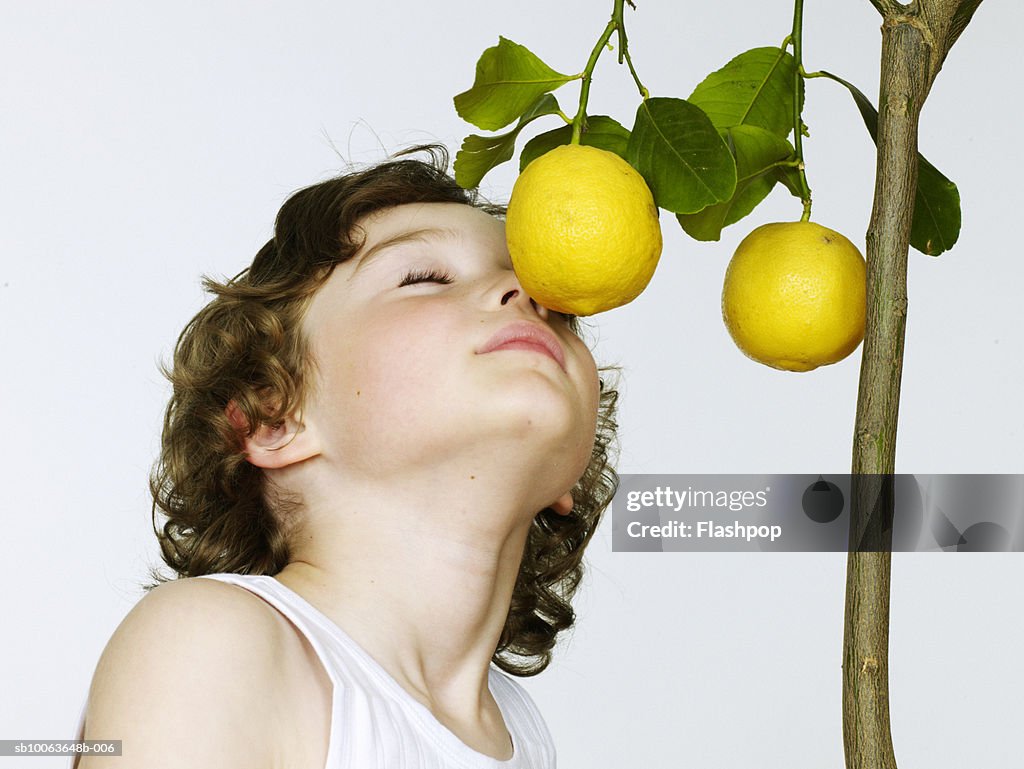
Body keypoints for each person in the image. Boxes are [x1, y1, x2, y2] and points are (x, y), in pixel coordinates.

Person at [71, 145, 619, 769]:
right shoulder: (214, 642)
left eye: (558, 306)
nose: (526, 292)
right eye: (425, 277)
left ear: (568, 475)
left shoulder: (521, 732)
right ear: (276, 419)